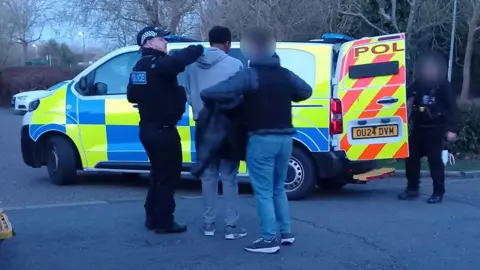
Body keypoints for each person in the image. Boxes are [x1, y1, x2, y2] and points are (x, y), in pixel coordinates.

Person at [201, 27, 313, 254]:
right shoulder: (285, 74)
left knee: (263, 191)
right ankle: (286, 233)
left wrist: (234, 103)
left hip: (261, 139)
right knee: (277, 188)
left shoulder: (250, 75)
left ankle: (269, 239)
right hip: (285, 140)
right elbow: (306, 91)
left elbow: (212, 93)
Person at [127, 26, 204, 233]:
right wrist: (198, 48)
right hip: (163, 131)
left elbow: (131, 96)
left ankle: (152, 216)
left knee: (158, 174)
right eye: (161, 39)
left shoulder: (139, 67)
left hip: (148, 129)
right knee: (168, 176)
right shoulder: (158, 64)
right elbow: (177, 62)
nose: (165, 42)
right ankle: (164, 221)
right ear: (149, 43)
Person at [184, 26, 247, 239]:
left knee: (208, 177)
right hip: (228, 127)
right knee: (229, 177)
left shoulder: (191, 67)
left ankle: (208, 224)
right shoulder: (236, 65)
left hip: (203, 127)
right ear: (227, 43)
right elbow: (242, 96)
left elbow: (189, 96)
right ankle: (231, 226)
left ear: (209, 41)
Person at [398, 51, 460, 204]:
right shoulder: (418, 84)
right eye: (427, 68)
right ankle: (412, 189)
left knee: (435, 161)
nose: (429, 71)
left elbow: (453, 108)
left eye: (432, 68)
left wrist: (452, 129)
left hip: (436, 128)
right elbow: (403, 95)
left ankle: (438, 192)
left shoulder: (443, 86)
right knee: (411, 158)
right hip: (419, 128)